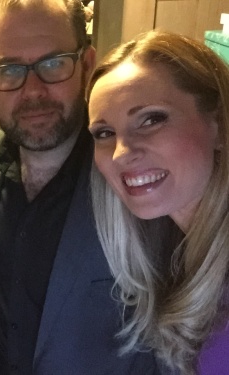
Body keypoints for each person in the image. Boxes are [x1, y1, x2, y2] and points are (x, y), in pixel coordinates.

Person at [0, 0, 163, 374]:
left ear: (87, 64)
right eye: (10, 69)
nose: (32, 91)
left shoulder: (137, 176)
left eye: (53, 63)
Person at [86, 29, 229, 375]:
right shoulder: (176, 256)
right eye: (104, 133)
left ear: (220, 126)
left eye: (151, 119)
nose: (121, 153)